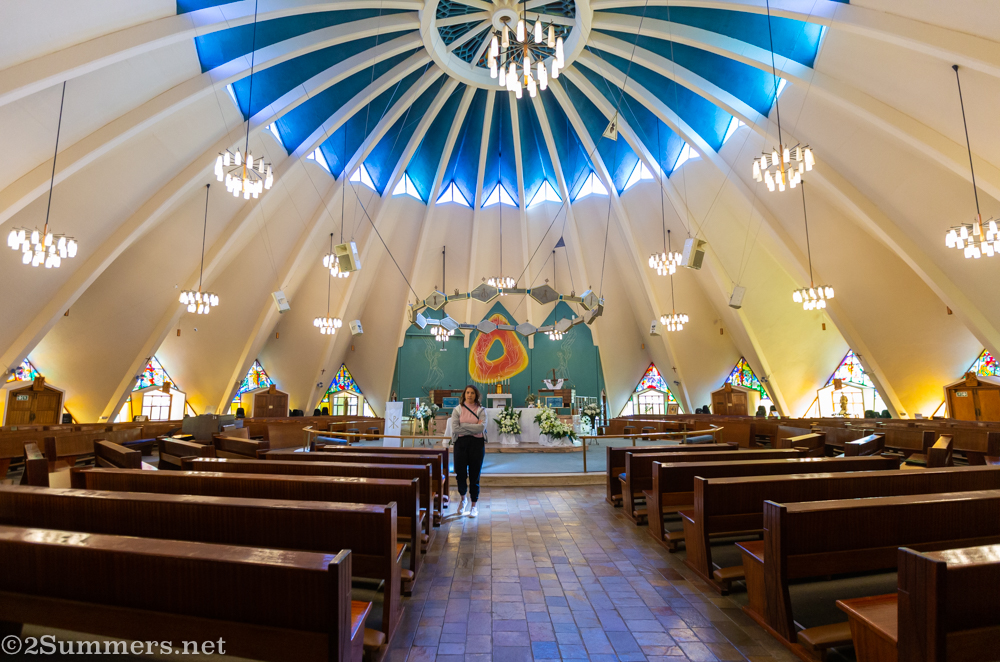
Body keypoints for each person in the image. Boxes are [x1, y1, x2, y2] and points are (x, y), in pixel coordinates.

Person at [449, 385, 486, 517]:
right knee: (461, 474)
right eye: (467, 393)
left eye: (472, 393)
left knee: (475, 476)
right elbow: (455, 429)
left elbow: (480, 428)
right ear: (464, 394)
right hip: (461, 444)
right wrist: (473, 427)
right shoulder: (457, 410)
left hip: (477, 444)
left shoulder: (481, 410)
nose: (469, 395)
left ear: (476, 395)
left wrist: (464, 426)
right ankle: (463, 499)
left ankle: (474, 505)